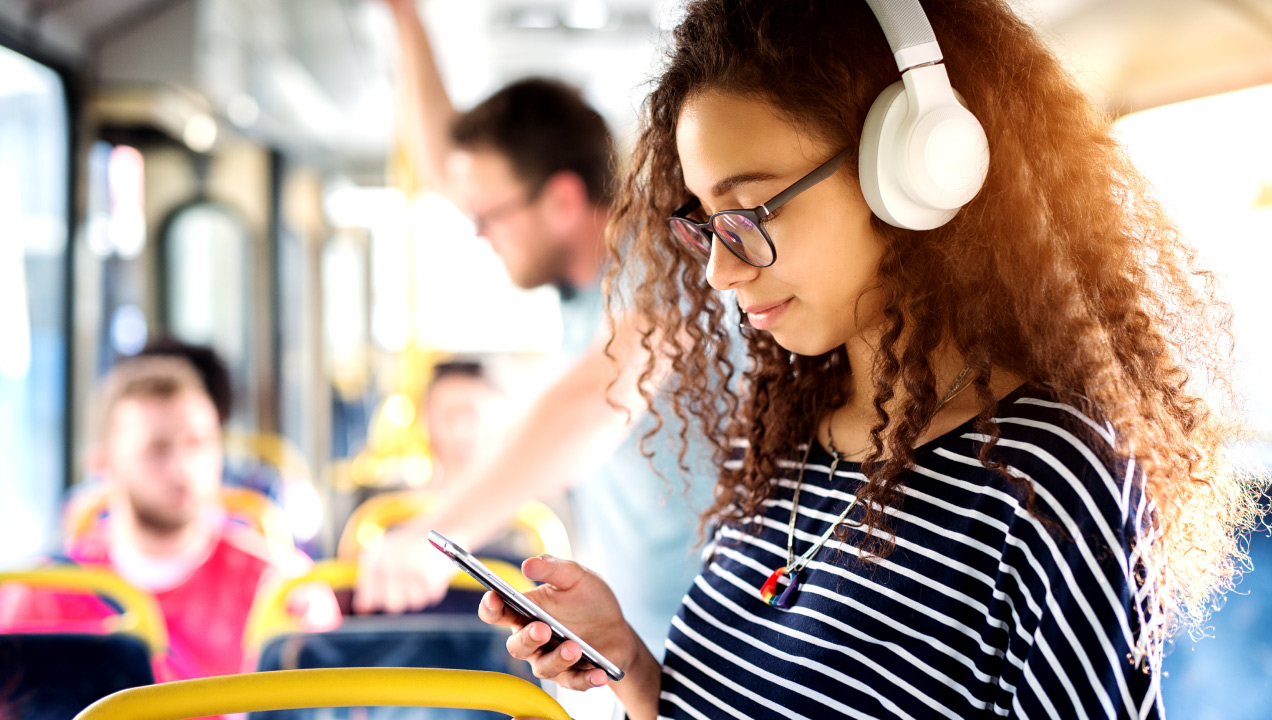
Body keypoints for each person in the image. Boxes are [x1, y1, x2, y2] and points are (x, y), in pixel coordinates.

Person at [476, 1, 1264, 718]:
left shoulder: (1049, 481)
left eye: (749, 211)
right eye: (706, 221)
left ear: (911, 173)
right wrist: (637, 674)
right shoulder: (778, 443)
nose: (719, 270)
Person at [355, 0, 719, 657]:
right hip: (660, 643)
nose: (480, 235)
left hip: (724, 644)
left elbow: (604, 390)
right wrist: (407, 20)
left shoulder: (655, 257)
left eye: (488, 217)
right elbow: (447, 163)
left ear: (562, 200)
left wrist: (442, 533)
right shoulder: (583, 277)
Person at [0, 355, 339, 680]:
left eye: (198, 444)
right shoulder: (46, 597)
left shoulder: (281, 587)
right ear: (104, 466)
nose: (182, 469)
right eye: (157, 450)